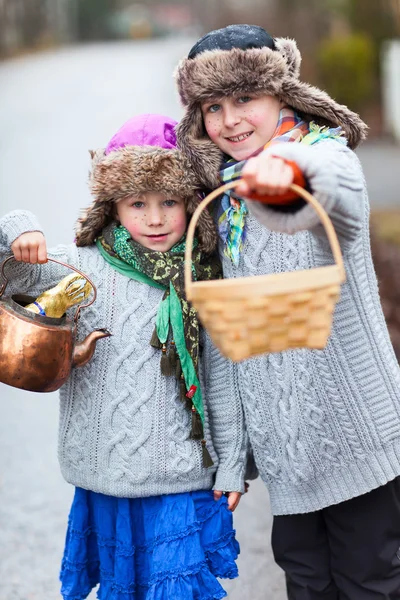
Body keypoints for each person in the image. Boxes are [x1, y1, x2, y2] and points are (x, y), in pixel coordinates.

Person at [174, 24, 400, 599]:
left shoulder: (324, 156)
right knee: (305, 587)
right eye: (213, 107)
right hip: (287, 460)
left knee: (371, 584)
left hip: (360, 445)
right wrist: (231, 459)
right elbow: (232, 345)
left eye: (245, 98)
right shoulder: (223, 205)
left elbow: (340, 195)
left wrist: (290, 177)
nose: (230, 120)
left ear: (283, 94)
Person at [0, 114, 248, 600]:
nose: (154, 219)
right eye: (138, 203)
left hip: (182, 479)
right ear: (113, 208)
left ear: (192, 203)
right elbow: (10, 274)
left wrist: (233, 463)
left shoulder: (202, 278)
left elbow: (221, 378)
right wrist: (16, 228)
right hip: (106, 479)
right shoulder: (81, 268)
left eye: (169, 202)